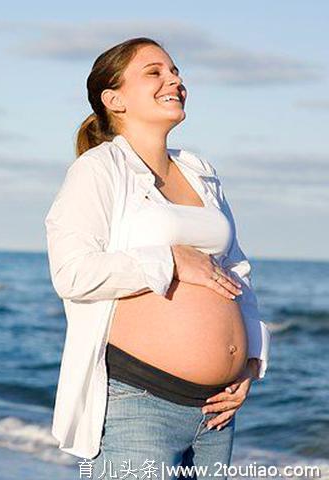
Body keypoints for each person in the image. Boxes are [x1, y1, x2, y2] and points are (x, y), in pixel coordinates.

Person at [44, 37, 271, 478]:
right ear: (114, 99)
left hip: (217, 413)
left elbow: (237, 272)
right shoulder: (98, 169)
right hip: (139, 405)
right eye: (155, 72)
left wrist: (249, 362)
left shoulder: (200, 171)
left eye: (176, 71)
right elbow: (72, 274)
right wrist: (170, 259)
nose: (175, 80)